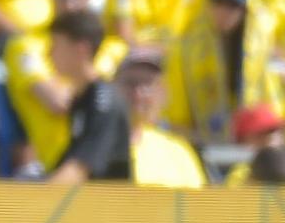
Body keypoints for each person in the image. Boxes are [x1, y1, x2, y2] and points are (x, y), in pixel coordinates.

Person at [3, 0, 125, 172]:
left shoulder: (113, 46)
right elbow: (58, 101)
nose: (70, 5)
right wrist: (93, 87)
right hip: (55, 167)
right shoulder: (26, 46)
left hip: (107, 163)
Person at [51, 42, 208, 185]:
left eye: (148, 84)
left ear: (163, 93)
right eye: (131, 83)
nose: (139, 94)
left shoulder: (178, 152)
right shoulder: (83, 143)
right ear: (112, 87)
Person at [163, 0, 251, 145]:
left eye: (233, 5)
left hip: (250, 138)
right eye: (218, 2)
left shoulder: (257, 49)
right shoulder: (187, 49)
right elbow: (177, 117)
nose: (225, 12)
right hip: (200, 140)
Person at [221, 101, 285, 186]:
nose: (273, 138)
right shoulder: (239, 176)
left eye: (278, 131)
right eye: (263, 134)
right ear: (244, 140)